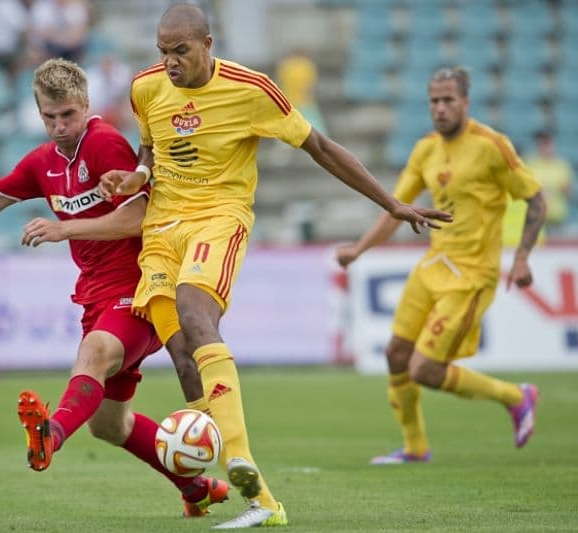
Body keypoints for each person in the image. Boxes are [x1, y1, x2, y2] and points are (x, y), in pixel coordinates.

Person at [99, 4, 451, 528]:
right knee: (180, 353)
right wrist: (136, 176)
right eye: (162, 52)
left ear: (207, 43)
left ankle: (239, 462)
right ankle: (251, 494)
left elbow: (321, 148)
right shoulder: (146, 87)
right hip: (161, 231)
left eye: (180, 51)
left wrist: (391, 204)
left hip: (218, 219)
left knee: (198, 317)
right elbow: (151, 149)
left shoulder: (251, 89)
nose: (169, 62)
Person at [0, 58, 229, 519]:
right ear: (39, 113)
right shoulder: (43, 163)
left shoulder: (104, 144)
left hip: (141, 287)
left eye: (67, 115)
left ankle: (50, 435)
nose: (59, 127)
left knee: (95, 354)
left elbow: (138, 216)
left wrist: (67, 229)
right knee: (110, 425)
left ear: (85, 105)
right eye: (49, 117)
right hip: (95, 295)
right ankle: (196, 487)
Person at [336, 66, 546, 465]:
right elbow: (395, 210)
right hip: (432, 266)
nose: (440, 107)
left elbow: (536, 199)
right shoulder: (425, 149)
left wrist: (520, 258)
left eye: (449, 99)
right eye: (434, 100)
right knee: (396, 354)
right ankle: (415, 448)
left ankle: (517, 397)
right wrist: (359, 249)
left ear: (466, 102)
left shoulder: (491, 145)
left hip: (471, 277)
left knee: (425, 370)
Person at [523, 129, 574, 236]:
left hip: (556, 218)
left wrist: (565, 189)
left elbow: (569, 192)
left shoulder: (561, 165)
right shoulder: (530, 162)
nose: (544, 146)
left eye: (546, 142)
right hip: (535, 218)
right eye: (541, 142)